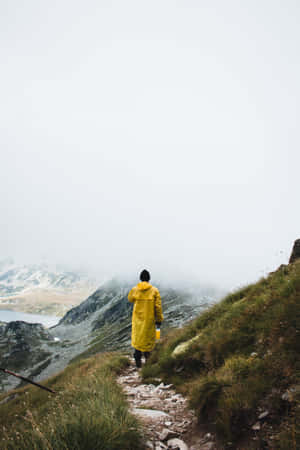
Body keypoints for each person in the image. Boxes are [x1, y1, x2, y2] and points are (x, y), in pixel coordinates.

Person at [128, 269, 163, 368]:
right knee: (148, 341)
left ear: (140, 278)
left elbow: (130, 298)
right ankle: (148, 363)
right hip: (149, 320)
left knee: (138, 340)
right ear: (149, 279)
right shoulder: (154, 291)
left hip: (137, 319)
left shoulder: (135, 289)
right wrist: (159, 319)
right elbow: (158, 307)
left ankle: (138, 362)